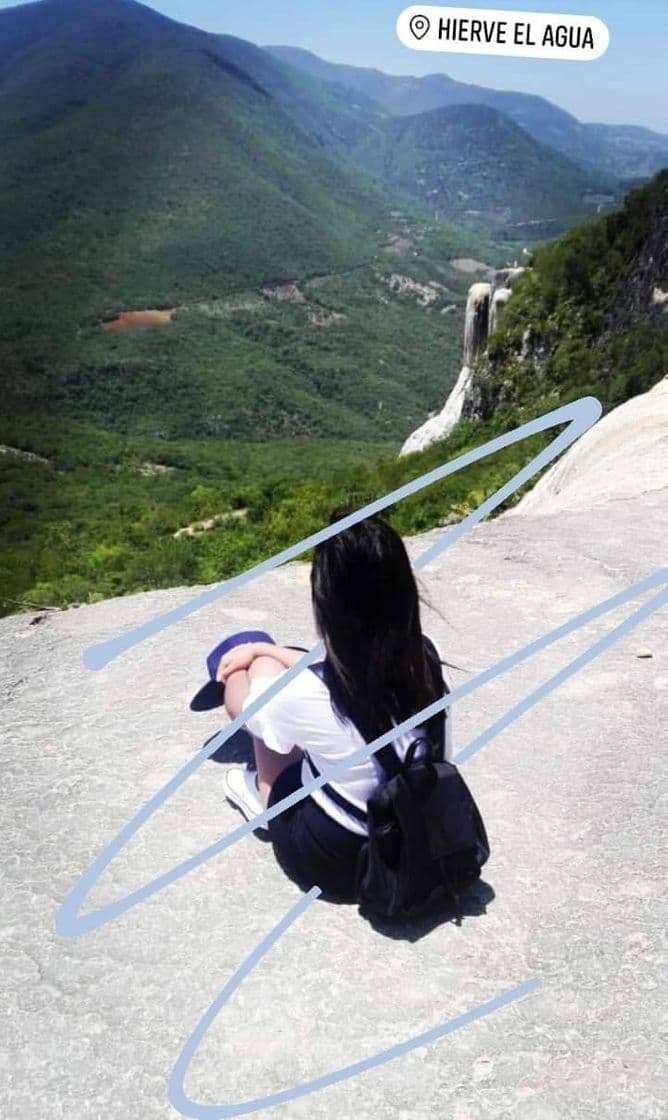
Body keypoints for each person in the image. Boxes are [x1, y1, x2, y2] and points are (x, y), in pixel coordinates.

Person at [219, 516, 453, 902]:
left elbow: (240, 712)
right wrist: (268, 648)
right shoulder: (422, 658)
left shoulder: (309, 693)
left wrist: (240, 669)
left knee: (268, 703)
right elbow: (335, 665)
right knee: (299, 712)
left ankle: (258, 797)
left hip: (344, 861)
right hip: (418, 833)